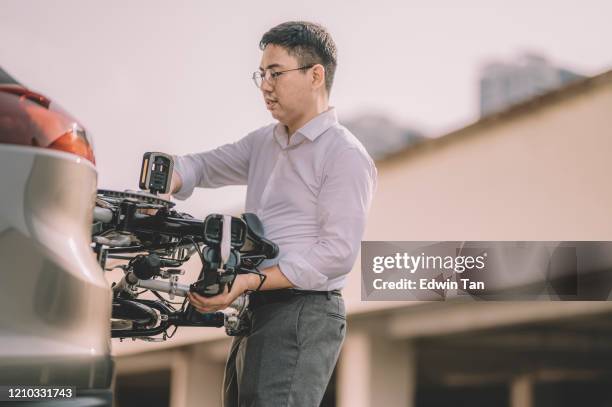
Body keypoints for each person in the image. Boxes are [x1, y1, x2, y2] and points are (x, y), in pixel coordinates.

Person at [168, 21, 377, 406]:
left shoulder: (344, 155)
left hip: (303, 311)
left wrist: (248, 281)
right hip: (258, 306)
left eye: (276, 73)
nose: (265, 85)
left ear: (315, 75)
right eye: (261, 74)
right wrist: (168, 176)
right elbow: (202, 166)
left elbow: (336, 255)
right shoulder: (264, 142)